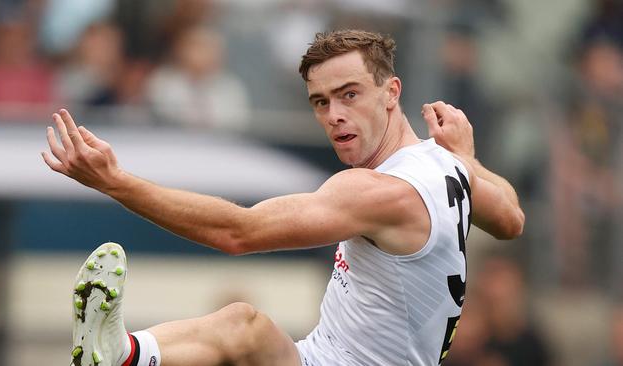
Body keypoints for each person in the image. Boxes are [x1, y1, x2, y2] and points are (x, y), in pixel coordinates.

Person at [42, 30, 524, 366]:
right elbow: (509, 218)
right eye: (321, 101)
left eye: (349, 94)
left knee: (243, 330)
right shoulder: (445, 164)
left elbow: (238, 232)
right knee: (243, 325)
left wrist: (115, 182)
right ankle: (119, 354)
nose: (334, 114)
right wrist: (467, 156)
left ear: (391, 92)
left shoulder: (379, 192)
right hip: (316, 357)